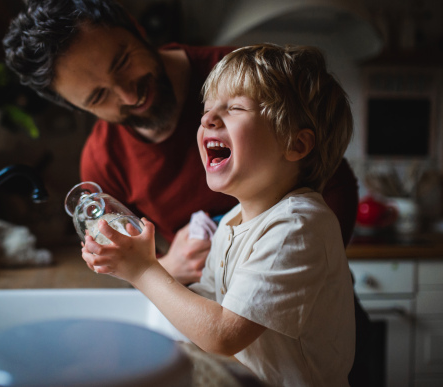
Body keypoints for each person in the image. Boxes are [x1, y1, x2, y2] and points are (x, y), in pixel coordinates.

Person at [2, 0, 359, 285]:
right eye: (98, 97)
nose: (129, 95)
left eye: (122, 62)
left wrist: (300, 276)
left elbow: (336, 181)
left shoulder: (243, 79)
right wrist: (167, 267)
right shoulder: (102, 161)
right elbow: (131, 262)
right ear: (77, 107)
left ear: (136, 27)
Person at [81, 43, 356, 386]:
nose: (207, 118)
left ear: (296, 145)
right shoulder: (230, 222)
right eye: (207, 109)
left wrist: (142, 269)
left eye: (235, 108)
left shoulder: (298, 225)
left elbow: (224, 334)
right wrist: (138, 264)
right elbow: (201, 313)